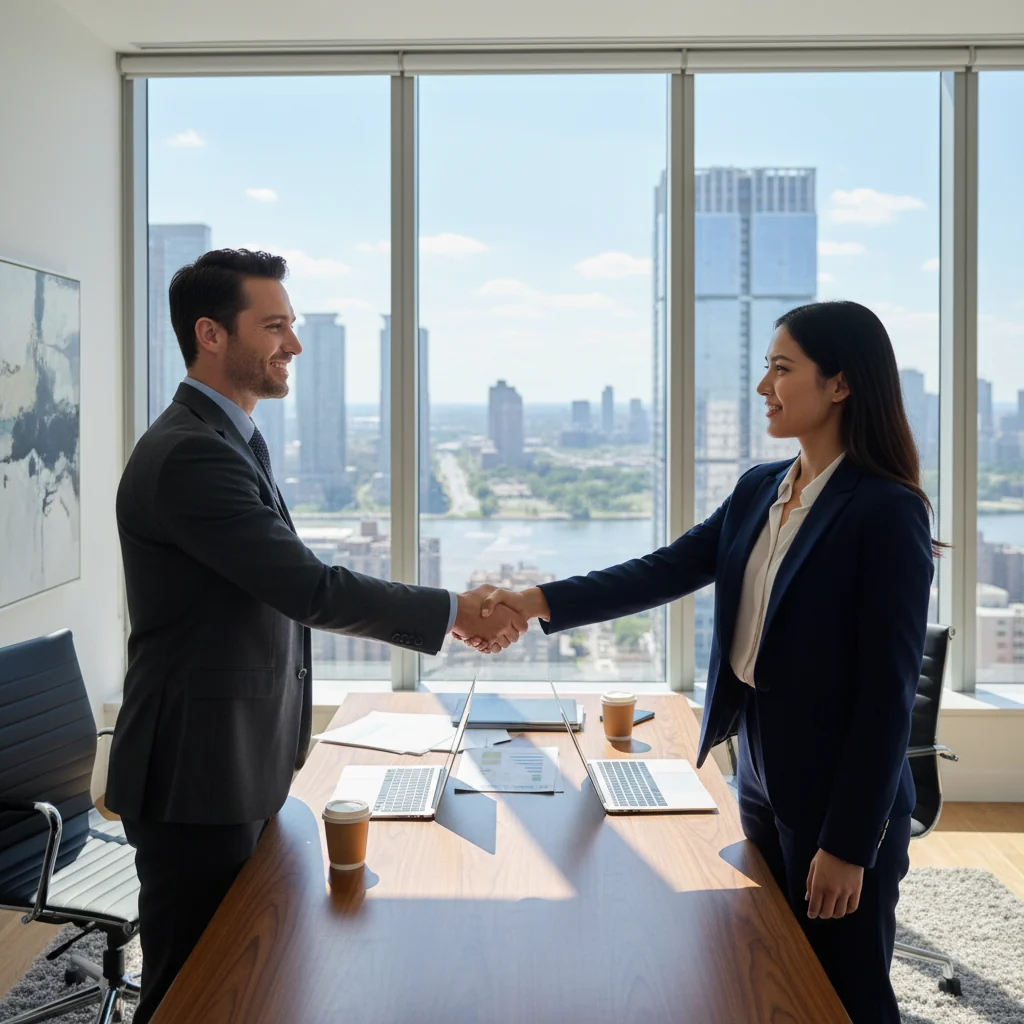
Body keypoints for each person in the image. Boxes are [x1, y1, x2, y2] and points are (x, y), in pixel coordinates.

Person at [468, 300, 936, 1023]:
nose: (764, 387)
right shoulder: (760, 488)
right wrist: (533, 601)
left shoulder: (885, 510)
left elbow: (887, 695)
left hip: (839, 786)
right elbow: (664, 570)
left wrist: (848, 844)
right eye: (767, 368)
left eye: (783, 369)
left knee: (847, 988)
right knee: (774, 959)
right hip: (758, 765)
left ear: (840, 384)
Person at [106, 248, 525, 1023]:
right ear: (211, 334)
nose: (293, 344)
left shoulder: (226, 438)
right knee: (190, 987)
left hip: (235, 757)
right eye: (274, 327)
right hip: (196, 771)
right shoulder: (192, 453)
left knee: (243, 969)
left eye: (292, 325)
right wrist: (455, 612)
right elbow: (306, 588)